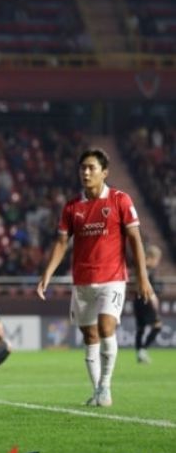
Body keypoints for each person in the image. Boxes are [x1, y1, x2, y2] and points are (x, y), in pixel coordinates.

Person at [37, 148, 153, 407]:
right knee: (90, 336)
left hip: (112, 278)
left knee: (105, 327)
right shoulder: (72, 206)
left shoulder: (120, 200)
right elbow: (61, 242)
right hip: (82, 281)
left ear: (105, 172)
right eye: (83, 168)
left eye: (91, 168)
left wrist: (142, 277)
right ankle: (97, 390)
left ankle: (105, 386)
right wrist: (47, 274)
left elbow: (135, 239)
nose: (86, 172)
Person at [134, 245, 163, 364]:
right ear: (151, 258)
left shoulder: (141, 267)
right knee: (157, 326)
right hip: (145, 301)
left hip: (138, 301)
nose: (157, 263)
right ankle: (143, 349)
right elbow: (143, 286)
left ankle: (140, 352)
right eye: (157, 260)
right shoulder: (144, 269)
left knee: (141, 328)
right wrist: (153, 297)